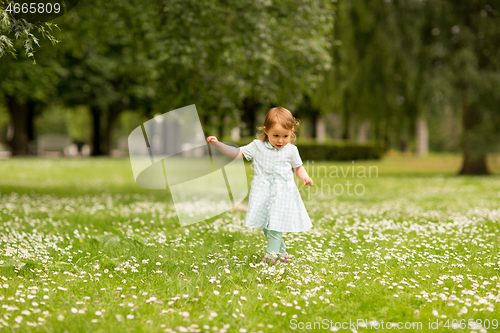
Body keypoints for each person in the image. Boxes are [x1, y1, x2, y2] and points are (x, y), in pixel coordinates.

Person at [206, 107, 313, 265]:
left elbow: (298, 167)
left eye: (285, 136)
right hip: (262, 192)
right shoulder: (257, 147)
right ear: (266, 130)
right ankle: (282, 254)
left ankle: (270, 257)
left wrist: (304, 177)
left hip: (283, 193)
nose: (280, 140)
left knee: (275, 225)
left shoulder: (291, 150)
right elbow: (236, 153)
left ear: (292, 132)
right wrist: (217, 145)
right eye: (275, 135)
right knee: (266, 226)